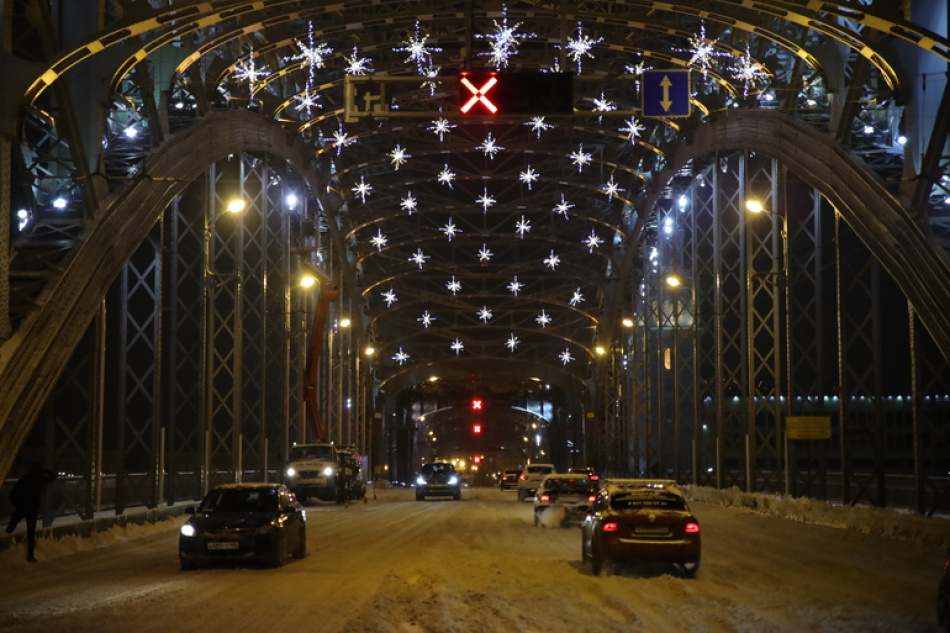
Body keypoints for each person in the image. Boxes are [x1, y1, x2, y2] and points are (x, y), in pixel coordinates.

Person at [5, 461, 57, 562]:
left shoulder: (25, 478)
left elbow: (13, 492)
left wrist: (16, 503)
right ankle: (30, 555)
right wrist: (46, 470)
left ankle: (3, 547)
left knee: (11, 526)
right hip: (32, 509)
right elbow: (53, 477)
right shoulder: (40, 479)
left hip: (21, 507)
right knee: (30, 532)